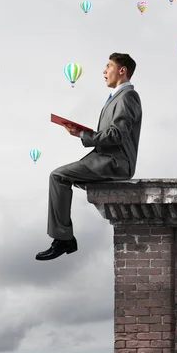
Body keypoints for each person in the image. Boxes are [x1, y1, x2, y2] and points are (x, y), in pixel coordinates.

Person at [35, 53, 143, 261]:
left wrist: (84, 135)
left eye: (109, 66)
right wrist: (81, 132)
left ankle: (64, 239)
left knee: (58, 176)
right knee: (62, 176)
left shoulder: (128, 96)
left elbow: (117, 134)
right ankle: (63, 237)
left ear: (122, 70)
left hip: (115, 163)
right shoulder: (117, 97)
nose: (104, 71)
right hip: (103, 159)